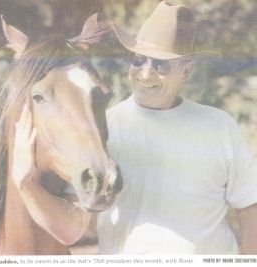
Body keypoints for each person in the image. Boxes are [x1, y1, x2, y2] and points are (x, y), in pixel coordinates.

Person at [97, 1, 257, 254]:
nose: (145, 74)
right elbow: (73, 221)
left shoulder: (219, 126)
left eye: (160, 65)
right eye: (138, 60)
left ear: (186, 71)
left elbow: (250, 208)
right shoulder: (102, 127)